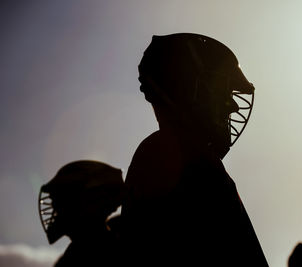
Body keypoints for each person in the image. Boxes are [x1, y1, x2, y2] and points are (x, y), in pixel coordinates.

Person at [122, 33, 268, 266]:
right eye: (222, 91)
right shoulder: (179, 155)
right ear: (186, 85)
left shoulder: (167, 152)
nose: (232, 106)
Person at [38, 160, 126, 266]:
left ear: (89, 202)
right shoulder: (81, 249)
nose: (54, 209)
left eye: (59, 201)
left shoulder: (84, 253)